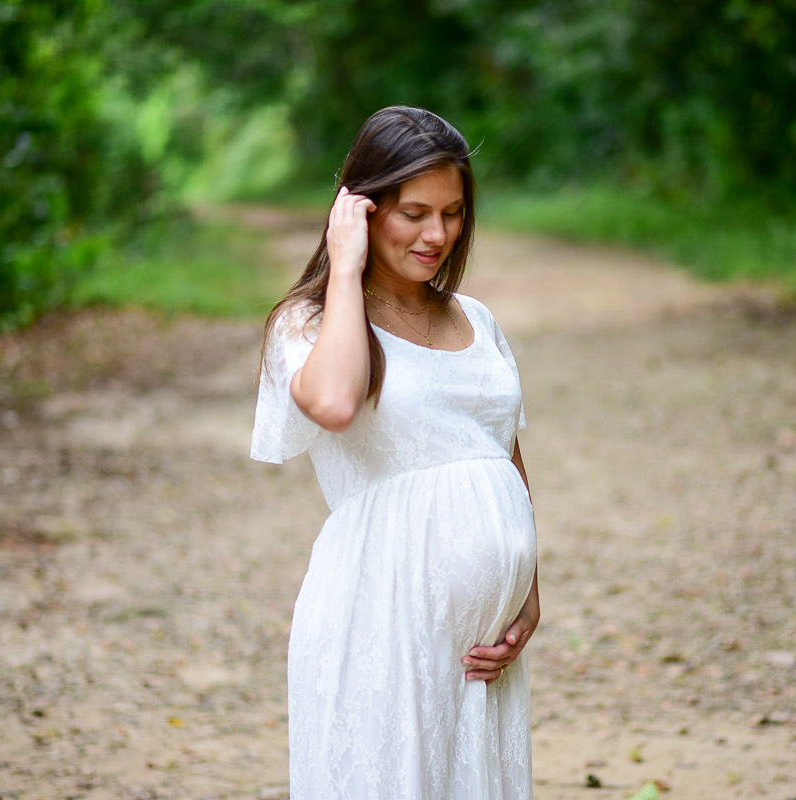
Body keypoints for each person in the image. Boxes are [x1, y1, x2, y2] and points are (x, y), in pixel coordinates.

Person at [250, 105, 540, 798]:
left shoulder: (477, 318)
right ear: (361, 209)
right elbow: (336, 403)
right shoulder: (309, 324)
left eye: (453, 212)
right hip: (380, 621)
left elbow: (501, 452)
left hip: (480, 654)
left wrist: (529, 592)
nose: (437, 234)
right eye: (413, 212)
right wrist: (345, 270)